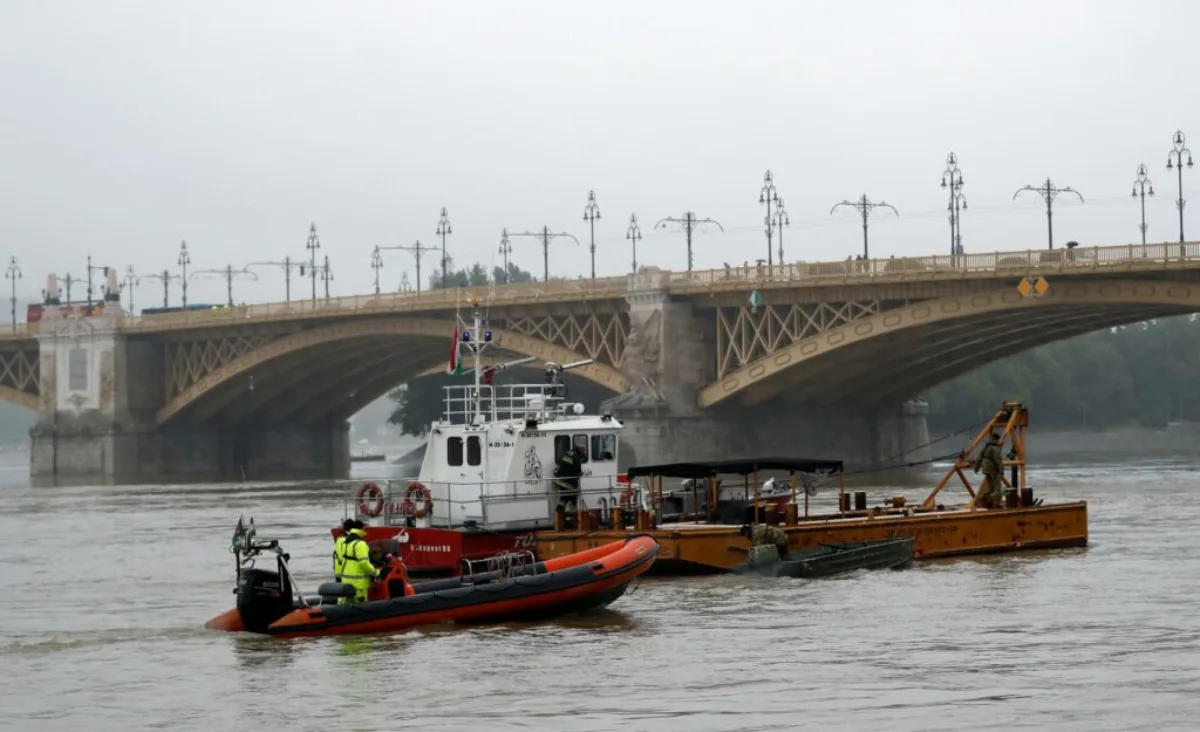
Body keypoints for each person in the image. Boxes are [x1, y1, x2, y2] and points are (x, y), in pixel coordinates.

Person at [339, 522, 379, 604]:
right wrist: (376, 572)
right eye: (364, 528)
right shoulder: (360, 544)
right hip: (359, 584)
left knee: (346, 605)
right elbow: (364, 563)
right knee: (360, 606)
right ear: (361, 529)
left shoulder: (346, 542)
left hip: (346, 581)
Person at [973, 432, 1005, 509]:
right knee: (998, 489)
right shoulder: (995, 448)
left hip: (985, 468)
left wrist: (976, 467)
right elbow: (998, 460)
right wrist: (1001, 470)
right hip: (992, 469)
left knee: (991, 488)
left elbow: (979, 458)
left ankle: (992, 504)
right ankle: (984, 499)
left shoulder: (986, 447)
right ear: (998, 440)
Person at [553, 445, 583, 511]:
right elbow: (578, 471)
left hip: (559, 480)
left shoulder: (567, 453)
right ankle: (574, 513)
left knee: (564, 498)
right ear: (580, 450)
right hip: (567, 482)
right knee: (574, 495)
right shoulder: (577, 457)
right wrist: (581, 474)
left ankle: (559, 514)